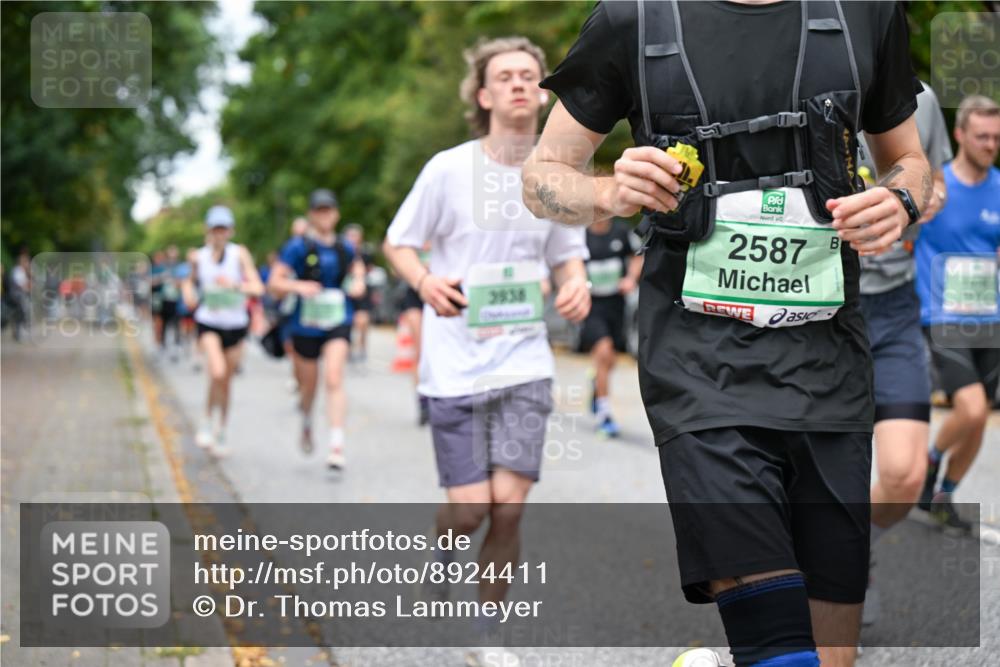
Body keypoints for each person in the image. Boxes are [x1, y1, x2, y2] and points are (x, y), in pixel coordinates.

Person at [523, 2, 930, 666]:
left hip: (828, 363)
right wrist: (608, 192)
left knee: (831, 655)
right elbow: (541, 179)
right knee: (777, 644)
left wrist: (900, 198)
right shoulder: (636, 18)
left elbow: (909, 160)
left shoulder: (864, 13)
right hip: (697, 365)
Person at [383, 36, 589, 667]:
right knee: (472, 507)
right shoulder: (448, 169)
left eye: (530, 75)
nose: (521, 84)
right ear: (484, 94)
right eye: (506, 76)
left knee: (509, 505)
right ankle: (443, 548)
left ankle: (490, 631)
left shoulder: (555, 178)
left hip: (525, 361)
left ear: (543, 91)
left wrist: (575, 285)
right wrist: (424, 282)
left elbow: (567, 258)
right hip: (454, 363)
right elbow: (399, 242)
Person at [854, 81, 951, 623]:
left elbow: (934, 183)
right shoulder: (798, 68)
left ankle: (853, 542)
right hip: (820, 304)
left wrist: (925, 200)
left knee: (904, 473)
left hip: (892, 307)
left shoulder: (922, 99)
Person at [916, 94, 1000, 532]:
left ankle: (942, 492)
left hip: (990, 317)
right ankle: (929, 464)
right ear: (960, 135)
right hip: (942, 313)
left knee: (980, 418)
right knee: (970, 408)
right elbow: (905, 233)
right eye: (982, 136)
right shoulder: (937, 186)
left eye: (996, 138)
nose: (990, 145)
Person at [268, 189, 367, 467]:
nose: (324, 215)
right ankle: (308, 418)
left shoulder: (345, 247)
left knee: (334, 378)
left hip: (337, 319)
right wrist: (297, 286)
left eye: (329, 210)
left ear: (336, 214)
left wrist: (358, 282)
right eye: (319, 211)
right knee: (309, 386)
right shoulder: (297, 247)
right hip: (306, 325)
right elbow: (275, 282)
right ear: (312, 214)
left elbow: (357, 268)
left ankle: (336, 445)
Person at [182, 206, 264, 455]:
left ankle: (222, 429)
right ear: (209, 230)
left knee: (226, 382)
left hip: (235, 325)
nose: (219, 233)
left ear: (230, 231)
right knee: (216, 372)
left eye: (224, 229)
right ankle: (206, 419)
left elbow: (258, 288)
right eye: (215, 228)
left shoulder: (240, 254)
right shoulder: (199, 257)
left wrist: (236, 285)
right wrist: (188, 294)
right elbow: (189, 281)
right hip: (209, 322)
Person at [579, 217, 643, 437]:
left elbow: (638, 255)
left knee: (610, 360)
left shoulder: (621, 231)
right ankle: (604, 416)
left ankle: (596, 381)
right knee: (604, 350)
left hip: (616, 304)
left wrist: (631, 279)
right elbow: (569, 263)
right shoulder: (580, 235)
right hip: (591, 306)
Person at [343, 223, 375, 363]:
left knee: (362, 321)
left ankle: (362, 348)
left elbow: (370, 270)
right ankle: (348, 349)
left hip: (362, 292)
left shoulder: (365, 253)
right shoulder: (341, 252)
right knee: (348, 322)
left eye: (355, 236)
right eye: (350, 236)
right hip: (346, 292)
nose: (353, 239)